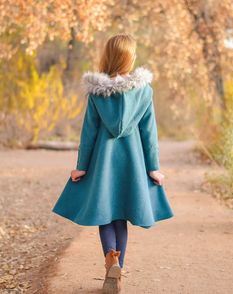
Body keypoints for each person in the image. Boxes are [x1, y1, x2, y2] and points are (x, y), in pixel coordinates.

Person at [51, 33, 174, 294]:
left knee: (105, 215)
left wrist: (81, 166)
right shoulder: (143, 91)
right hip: (131, 162)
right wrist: (153, 167)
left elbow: (89, 132)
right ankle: (118, 275)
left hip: (102, 164)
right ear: (130, 57)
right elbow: (148, 133)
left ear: (108, 55)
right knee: (121, 219)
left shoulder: (98, 94)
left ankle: (111, 263)